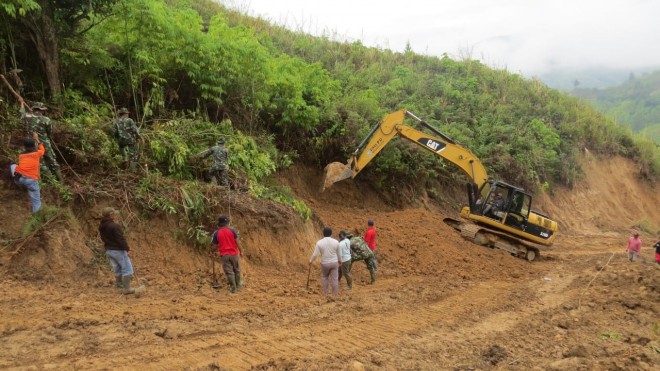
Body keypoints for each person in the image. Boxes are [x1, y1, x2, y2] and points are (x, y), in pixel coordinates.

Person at [98, 207, 144, 295]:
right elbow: (120, 239)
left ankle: (120, 286)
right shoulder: (114, 226)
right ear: (111, 216)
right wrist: (127, 249)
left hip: (109, 250)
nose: (115, 215)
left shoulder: (101, 226)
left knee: (117, 269)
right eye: (114, 214)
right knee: (128, 269)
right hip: (118, 251)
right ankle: (127, 289)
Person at [19, 99, 62, 181]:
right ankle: (60, 182)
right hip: (44, 142)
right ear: (41, 110)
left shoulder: (27, 116)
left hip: (31, 144)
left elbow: (21, 113)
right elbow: (50, 132)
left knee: (40, 163)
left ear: (34, 109)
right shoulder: (46, 119)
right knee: (52, 160)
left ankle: (52, 182)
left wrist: (21, 103)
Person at [10, 133, 45, 213]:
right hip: (31, 181)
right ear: (33, 146)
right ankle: (36, 218)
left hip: (19, 180)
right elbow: (42, 150)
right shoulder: (37, 153)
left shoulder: (21, 155)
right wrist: (37, 139)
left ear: (24, 147)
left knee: (13, 165)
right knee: (36, 202)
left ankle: (15, 182)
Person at [211, 215, 242, 293]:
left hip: (224, 255)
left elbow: (214, 245)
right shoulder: (232, 230)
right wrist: (241, 251)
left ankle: (233, 288)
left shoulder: (216, 233)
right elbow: (238, 242)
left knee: (229, 272)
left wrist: (211, 251)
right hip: (234, 254)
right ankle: (238, 285)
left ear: (219, 224)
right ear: (227, 223)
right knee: (236, 270)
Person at [308, 227, 341, 296]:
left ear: (323, 233)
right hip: (334, 262)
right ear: (331, 233)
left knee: (325, 277)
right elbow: (339, 253)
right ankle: (334, 295)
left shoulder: (319, 243)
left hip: (325, 263)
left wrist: (311, 260)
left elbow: (315, 254)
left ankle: (325, 294)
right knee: (335, 279)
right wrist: (340, 260)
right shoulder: (336, 242)